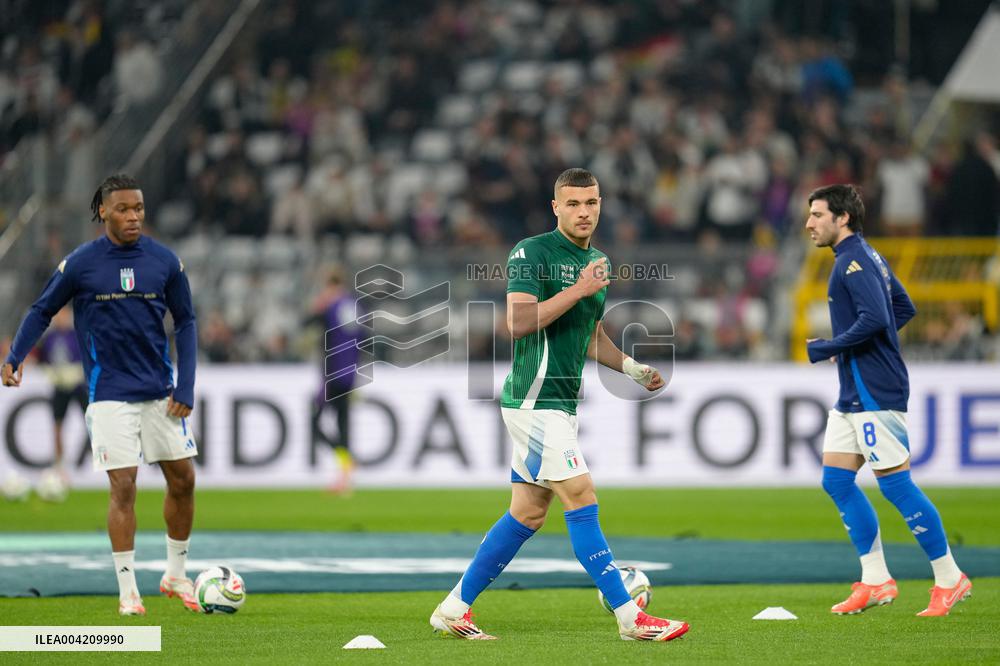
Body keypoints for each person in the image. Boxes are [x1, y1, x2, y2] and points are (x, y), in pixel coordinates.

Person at [430, 168, 689, 642]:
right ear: (556, 207)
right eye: (573, 204)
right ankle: (630, 618)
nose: (584, 212)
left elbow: (589, 335)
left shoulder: (597, 261)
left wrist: (632, 369)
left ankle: (454, 607)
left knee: (528, 512)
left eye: (591, 202)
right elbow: (518, 322)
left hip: (559, 401)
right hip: (536, 398)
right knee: (582, 495)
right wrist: (579, 289)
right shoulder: (533, 252)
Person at [2, 174, 200, 616]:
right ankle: (128, 590)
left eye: (139, 209)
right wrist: (16, 355)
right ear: (104, 212)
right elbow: (42, 310)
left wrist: (185, 384)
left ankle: (175, 575)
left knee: (184, 480)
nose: (134, 217)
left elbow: (186, 322)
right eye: (125, 209)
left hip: (160, 392)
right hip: (108, 393)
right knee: (123, 486)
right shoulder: (81, 264)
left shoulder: (165, 261)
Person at [804, 183, 971, 617]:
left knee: (896, 484)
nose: (809, 223)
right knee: (836, 481)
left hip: (875, 389)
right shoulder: (866, 254)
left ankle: (950, 578)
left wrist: (832, 346)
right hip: (855, 391)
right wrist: (869, 347)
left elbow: (878, 317)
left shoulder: (854, 261)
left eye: (818, 215)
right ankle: (876, 580)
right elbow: (905, 307)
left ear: (842, 218)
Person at [310, 266, 362, 495]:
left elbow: (309, 322)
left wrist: (319, 305)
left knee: (315, 422)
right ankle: (344, 479)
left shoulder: (330, 307)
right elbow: (364, 338)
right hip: (350, 372)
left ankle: (345, 462)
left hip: (332, 372)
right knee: (343, 423)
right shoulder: (356, 306)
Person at [38, 307, 88, 478]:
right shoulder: (49, 338)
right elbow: (42, 359)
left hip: (79, 385)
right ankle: (59, 466)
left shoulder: (77, 334)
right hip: (60, 386)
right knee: (57, 426)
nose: (62, 319)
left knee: (92, 422)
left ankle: (102, 460)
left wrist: (78, 373)